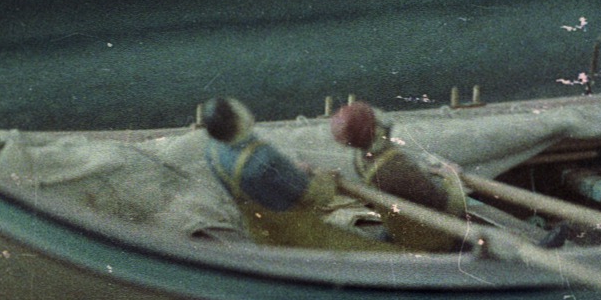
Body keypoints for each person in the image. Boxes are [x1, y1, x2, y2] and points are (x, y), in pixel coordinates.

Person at [200, 96, 391, 251]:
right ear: (237, 121)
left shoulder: (214, 150)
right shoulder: (263, 156)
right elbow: (314, 195)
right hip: (299, 234)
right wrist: (329, 179)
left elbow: (261, 182)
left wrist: (288, 174)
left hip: (260, 232)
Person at [329, 100, 467, 252]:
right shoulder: (396, 167)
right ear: (376, 131)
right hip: (432, 240)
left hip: (400, 231)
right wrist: (453, 178)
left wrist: (421, 171)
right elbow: (451, 207)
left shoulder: (361, 160)